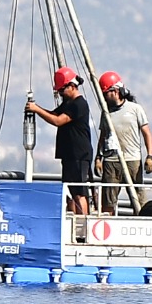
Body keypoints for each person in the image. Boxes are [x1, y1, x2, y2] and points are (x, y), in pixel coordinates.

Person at [25, 66, 94, 216]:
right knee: (69, 191)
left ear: (72, 86)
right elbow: (53, 114)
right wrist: (36, 108)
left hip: (79, 155)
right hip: (68, 155)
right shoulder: (67, 104)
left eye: (62, 90)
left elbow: (58, 120)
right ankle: (72, 222)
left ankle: (83, 225)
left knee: (79, 192)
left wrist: (36, 109)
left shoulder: (79, 104)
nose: (61, 93)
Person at [95, 71, 152, 213]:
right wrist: (98, 158)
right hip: (111, 161)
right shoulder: (106, 113)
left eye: (106, 93)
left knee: (138, 199)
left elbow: (146, 133)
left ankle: (141, 224)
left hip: (132, 160)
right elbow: (103, 136)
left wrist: (150, 156)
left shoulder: (135, 109)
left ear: (115, 91)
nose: (104, 97)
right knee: (108, 201)